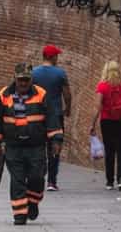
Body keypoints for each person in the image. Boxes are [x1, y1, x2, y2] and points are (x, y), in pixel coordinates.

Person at [0, 62, 63, 225]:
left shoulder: (41, 94)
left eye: (26, 80)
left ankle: (33, 201)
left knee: (36, 177)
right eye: (20, 80)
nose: (23, 83)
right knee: (17, 180)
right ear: (15, 79)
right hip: (13, 147)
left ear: (31, 80)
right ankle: (20, 215)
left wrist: (56, 139)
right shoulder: (4, 95)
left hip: (36, 146)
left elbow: (52, 117)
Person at [31, 45, 72, 192]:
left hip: (36, 116)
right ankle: (52, 182)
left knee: (38, 146)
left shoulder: (33, 73)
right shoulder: (60, 73)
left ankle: (38, 176)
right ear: (52, 57)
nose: (58, 58)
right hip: (55, 116)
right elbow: (67, 94)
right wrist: (68, 109)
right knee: (55, 147)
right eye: (57, 56)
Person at [96, 60, 121, 191]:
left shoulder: (102, 86)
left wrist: (92, 123)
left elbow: (99, 105)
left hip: (107, 121)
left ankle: (109, 181)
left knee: (110, 150)